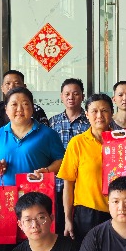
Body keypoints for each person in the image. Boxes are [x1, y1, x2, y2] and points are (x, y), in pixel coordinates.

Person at [0, 87, 64, 186]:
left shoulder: (48, 134)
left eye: (25, 104)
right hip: (5, 194)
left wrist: (47, 171)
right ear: (6, 109)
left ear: (32, 108)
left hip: (36, 193)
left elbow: (62, 161)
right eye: (14, 104)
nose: (19, 109)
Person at [58, 93, 114, 243]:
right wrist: (68, 219)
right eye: (94, 111)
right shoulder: (77, 143)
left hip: (118, 211)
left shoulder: (122, 142)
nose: (99, 115)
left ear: (112, 113)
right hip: (87, 214)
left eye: (104, 110)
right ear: (87, 115)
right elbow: (68, 184)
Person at [48, 78, 89, 234]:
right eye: (67, 94)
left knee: (80, 228)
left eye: (75, 93)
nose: (71, 97)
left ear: (82, 96)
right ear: (61, 96)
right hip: (58, 183)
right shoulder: (53, 122)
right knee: (58, 226)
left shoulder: (90, 121)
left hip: (82, 184)